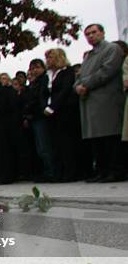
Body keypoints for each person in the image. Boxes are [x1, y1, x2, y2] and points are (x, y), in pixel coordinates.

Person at [74, 24, 126, 182]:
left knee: (109, 137)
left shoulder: (112, 49)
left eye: (94, 32)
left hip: (107, 100)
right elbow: (79, 76)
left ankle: (115, 171)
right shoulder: (88, 56)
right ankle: (102, 171)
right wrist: (77, 87)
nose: (91, 36)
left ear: (102, 33)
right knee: (97, 140)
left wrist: (85, 85)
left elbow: (107, 71)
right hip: (90, 102)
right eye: (87, 34)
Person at [45, 48, 82, 181]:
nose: (48, 60)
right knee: (55, 144)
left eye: (51, 57)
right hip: (50, 113)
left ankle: (70, 172)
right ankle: (58, 172)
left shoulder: (67, 72)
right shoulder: (48, 74)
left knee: (67, 143)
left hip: (64, 111)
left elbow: (65, 90)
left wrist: (52, 107)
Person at [25, 59, 55, 182]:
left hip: (42, 116)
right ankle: (46, 171)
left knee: (45, 146)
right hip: (34, 117)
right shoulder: (34, 83)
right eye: (32, 68)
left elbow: (40, 98)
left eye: (37, 67)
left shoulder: (45, 80)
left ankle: (52, 172)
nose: (34, 71)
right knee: (40, 147)